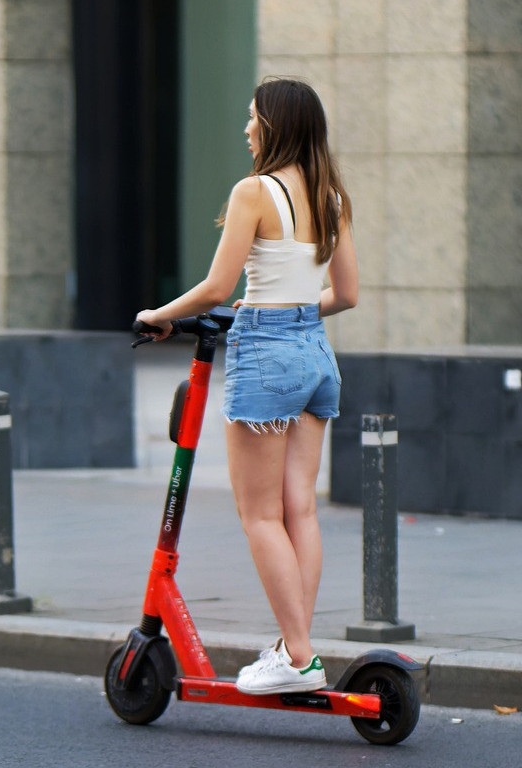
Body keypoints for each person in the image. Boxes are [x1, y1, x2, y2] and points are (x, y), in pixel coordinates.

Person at [135, 78, 358, 695]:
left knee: (260, 515)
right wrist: (291, 308)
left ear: (276, 125)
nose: (246, 128)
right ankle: (294, 648)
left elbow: (214, 287)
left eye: (252, 117)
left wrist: (159, 316)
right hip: (315, 353)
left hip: (266, 354)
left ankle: (299, 656)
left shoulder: (254, 192)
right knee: (300, 510)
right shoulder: (331, 196)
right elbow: (346, 295)